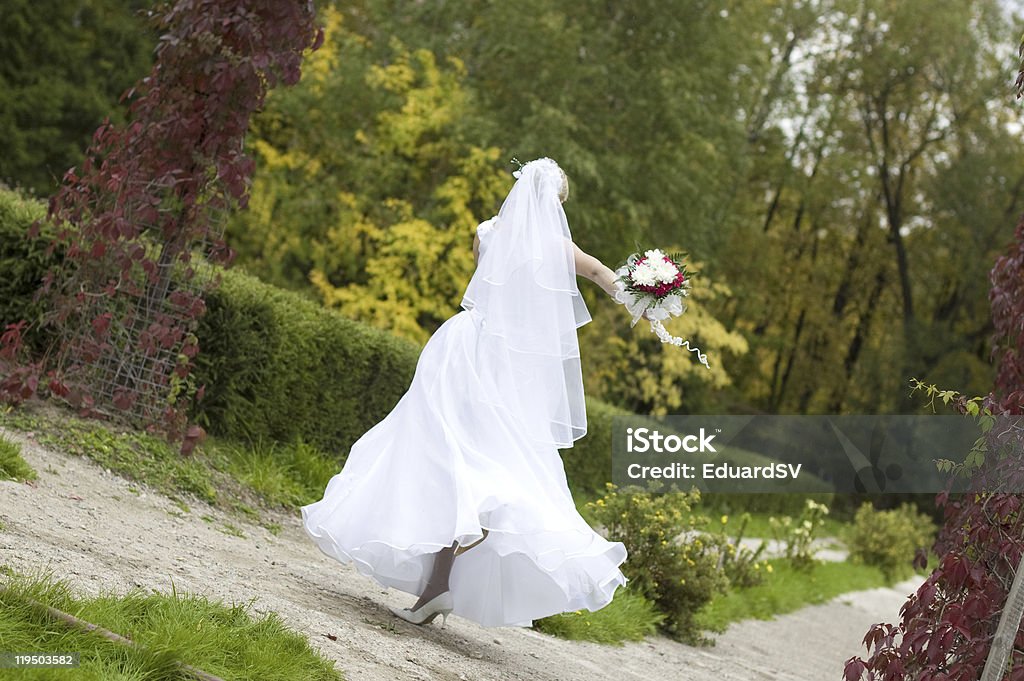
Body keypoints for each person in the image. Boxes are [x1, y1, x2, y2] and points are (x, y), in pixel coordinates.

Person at [301, 157, 631, 629]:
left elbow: (489, 283)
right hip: (509, 367)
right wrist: (642, 296)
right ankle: (442, 576)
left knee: (445, 456)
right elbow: (600, 275)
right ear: (552, 204)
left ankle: (438, 584)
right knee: (481, 462)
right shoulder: (557, 246)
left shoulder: (488, 232)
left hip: (464, 348)